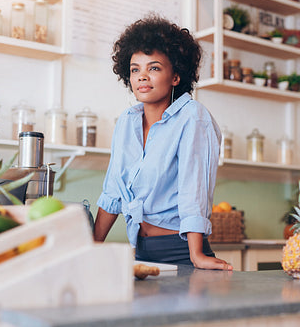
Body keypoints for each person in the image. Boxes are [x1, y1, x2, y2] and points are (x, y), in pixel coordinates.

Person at [93, 15, 232, 271]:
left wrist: (196, 255)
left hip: (181, 253)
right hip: (141, 252)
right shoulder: (126, 121)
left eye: (154, 68)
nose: (142, 76)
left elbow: (194, 190)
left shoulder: (192, 117)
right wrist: (91, 247)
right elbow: (113, 191)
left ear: (176, 76)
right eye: (135, 69)